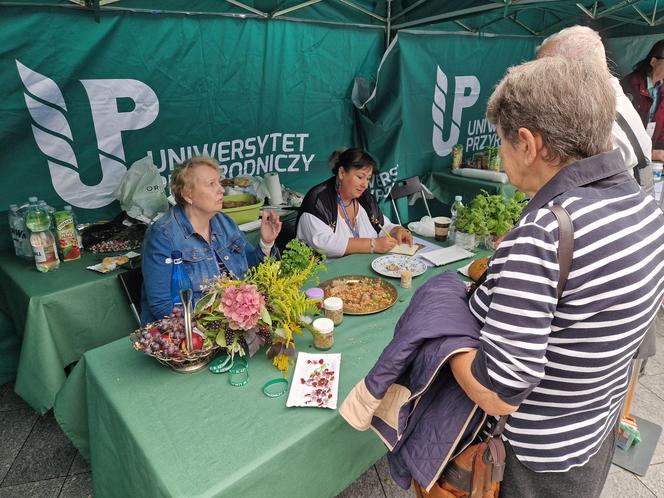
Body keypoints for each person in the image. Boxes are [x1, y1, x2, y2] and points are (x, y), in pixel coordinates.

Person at [448, 57, 664, 497]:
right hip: (592, 433)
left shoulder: (546, 234)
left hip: (535, 459)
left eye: (502, 144)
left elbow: (497, 391)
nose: (503, 158)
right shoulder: (645, 209)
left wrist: (444, 342)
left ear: (527, 143)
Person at [140, 156, 282, 324]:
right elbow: (162, 306)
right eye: (211, 184)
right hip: (191, 332)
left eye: (219, 182)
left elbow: (253, 274)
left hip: (234, 324)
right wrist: (218, 323)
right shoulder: (162, 235)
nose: (221, 190)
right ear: (188, 194)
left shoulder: (224, 222)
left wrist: (266, 243)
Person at [537, 25, 654, 196]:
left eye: (546, 70)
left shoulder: (601, 118)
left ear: (577, 68)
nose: (540, 81)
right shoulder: (611, 102)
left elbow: (588, 193)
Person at [296, 148, 412, 257]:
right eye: (360, 177)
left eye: (368, 178)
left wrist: (397, 230)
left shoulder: (364, 198)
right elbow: (324, 244)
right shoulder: (318, 200)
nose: (365, 185)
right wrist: (372, 244)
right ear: (342, 173)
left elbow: (382, 225)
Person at [621, 40, 664, 162]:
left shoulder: (661, 88)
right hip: (628, 157)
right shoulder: (629, 85)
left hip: (650, 158)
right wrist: (652, 154)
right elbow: (621, 129)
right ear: (653, 61)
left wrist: (658, 151)